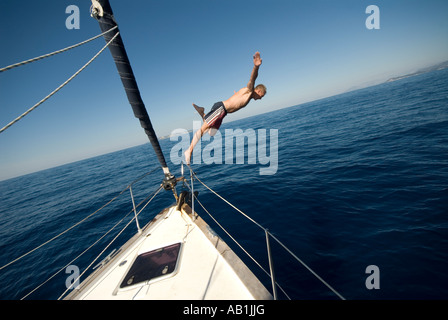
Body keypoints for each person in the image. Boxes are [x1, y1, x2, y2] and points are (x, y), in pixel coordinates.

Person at [184, 51, 266, 164]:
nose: (260, 99)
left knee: (211, 133)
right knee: (202, 130)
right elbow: (252, 79)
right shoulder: (249, 90)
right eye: (261, 96)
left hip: (223, 113)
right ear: (258, 90)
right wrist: (256, 67)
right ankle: (189, 150)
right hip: (221, 109)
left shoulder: (247, 95)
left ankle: (202, 112)